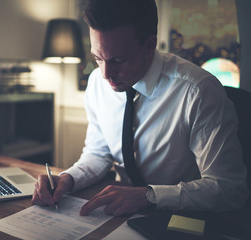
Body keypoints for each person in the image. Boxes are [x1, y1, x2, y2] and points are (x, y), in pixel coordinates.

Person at [32, 0, 249, 216]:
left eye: (118, 59)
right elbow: (99, 154)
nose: (106, 74)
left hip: (183, 217)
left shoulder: (198, 91)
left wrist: (149, 196)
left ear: (149, 45)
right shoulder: (97, 82)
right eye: (98, 58)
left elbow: (230, 189)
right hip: (120, 213)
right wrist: (68, 179)